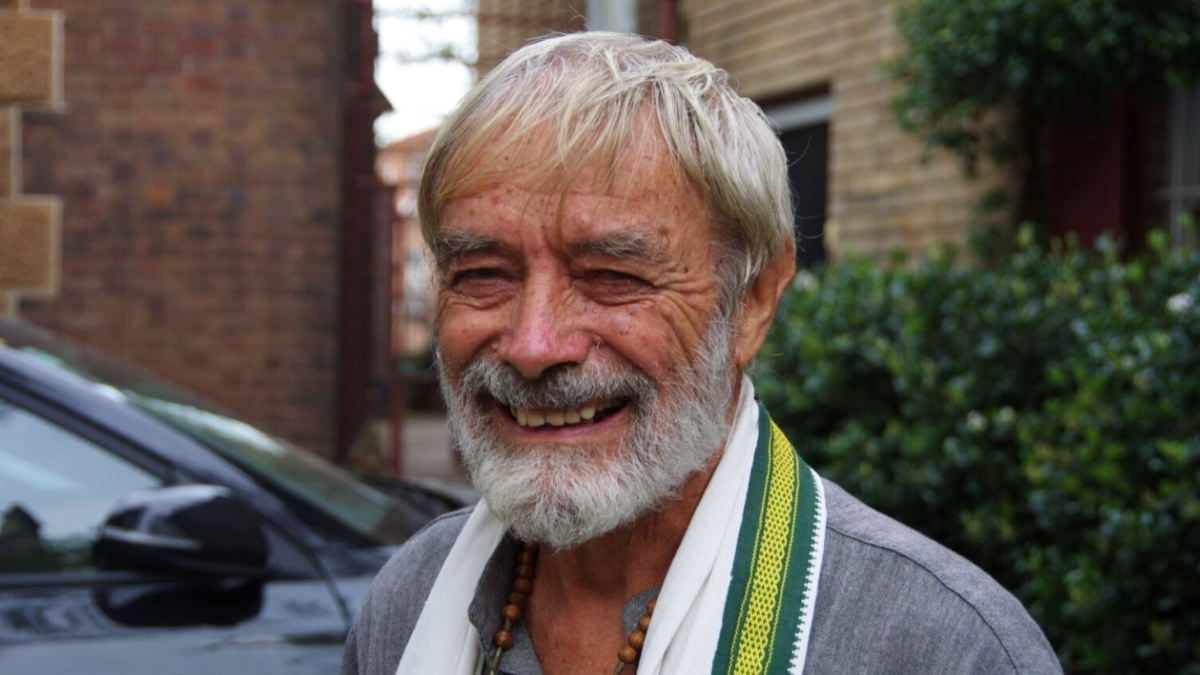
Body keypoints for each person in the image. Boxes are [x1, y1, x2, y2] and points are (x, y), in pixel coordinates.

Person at [343, 32, 1062, 675]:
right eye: (482, 275)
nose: (534, 346)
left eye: (612, 276)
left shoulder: (941, 648)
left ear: (753, 301)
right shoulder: (407, 600)